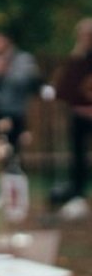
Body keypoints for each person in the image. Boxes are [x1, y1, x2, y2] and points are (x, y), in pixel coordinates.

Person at [52, 17, 92, 219]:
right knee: (78, 157)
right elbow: (65, 89)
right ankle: (77, 197)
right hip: (79, 114)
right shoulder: (76, 60)